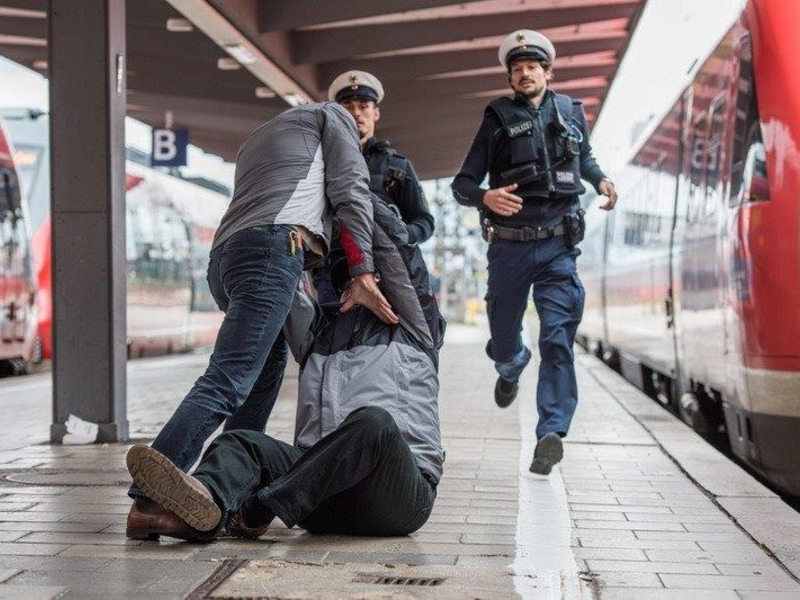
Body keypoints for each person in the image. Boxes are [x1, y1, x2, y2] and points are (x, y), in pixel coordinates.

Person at [126, 102, 399, 539]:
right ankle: (147, 499)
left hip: (227, 257)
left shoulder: (259, 138)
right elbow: (351, 191)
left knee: (261, 378)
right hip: (273, 250)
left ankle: (223, 493)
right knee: (229, 380)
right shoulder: (334, 117)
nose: (359, 116)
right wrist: (363, 271)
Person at [125, 196, 445, 540]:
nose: (349, 283)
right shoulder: (317, 334)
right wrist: (298, 220)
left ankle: (257, 508)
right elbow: (279, 273)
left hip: (397, 496)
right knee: (240, 442)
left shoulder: (416, 326)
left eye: (359, 273)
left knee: (374, 423)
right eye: (342, 276)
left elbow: (398, 250)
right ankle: (197, 508)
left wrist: (340, 190)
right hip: (319, 498)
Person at [451, 30, 618, 475]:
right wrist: (485, 197)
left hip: (559, 247)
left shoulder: (571, 112)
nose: (525, 73)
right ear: (510, 78)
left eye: (532, 67)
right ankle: (511, 365)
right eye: (517, 69)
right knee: (504, 337)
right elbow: (462, 184)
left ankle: (552, 431)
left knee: (558, 337)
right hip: (510, 247)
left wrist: (601, 180)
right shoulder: (497, 119)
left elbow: (585, 159)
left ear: (548, 72)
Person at [312, 71, 435, 304]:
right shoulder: (319, 164)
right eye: (348, 106)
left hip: (387, 271)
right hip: (333, 271)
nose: (356, 112)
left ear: (375, 113)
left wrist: (398, 236)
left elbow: (424, 222)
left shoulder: (397, 166)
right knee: (332, 327)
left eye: (363, 106)